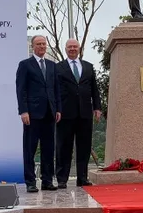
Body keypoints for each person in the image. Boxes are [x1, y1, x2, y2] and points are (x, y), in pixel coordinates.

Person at [16, 35, 62, 192]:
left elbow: (56, 89)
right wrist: (23, 111)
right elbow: (21, 89)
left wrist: (58, 109)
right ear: (33, 46)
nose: (42, 46)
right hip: (32, 114)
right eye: (39, 44)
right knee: (30, 149)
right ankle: (30, 181)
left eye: (44, 44)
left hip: (50, 113)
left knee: (49, 149)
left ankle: (47, 180)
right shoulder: (25, 65)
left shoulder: (52, 65)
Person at [55, 39, 102, 188]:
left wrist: (97, 107)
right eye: (70, 47)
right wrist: (56, 109)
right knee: (64, 147)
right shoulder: (58, 68)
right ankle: (62, 179)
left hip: (85, 113)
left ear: (79, 48)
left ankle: (82, 178)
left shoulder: (88, 67)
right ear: (65, 49)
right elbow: (54, 90)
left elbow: (94, 89)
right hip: (64, 114)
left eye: (75, 46)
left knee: (84, 147)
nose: (72, 49)